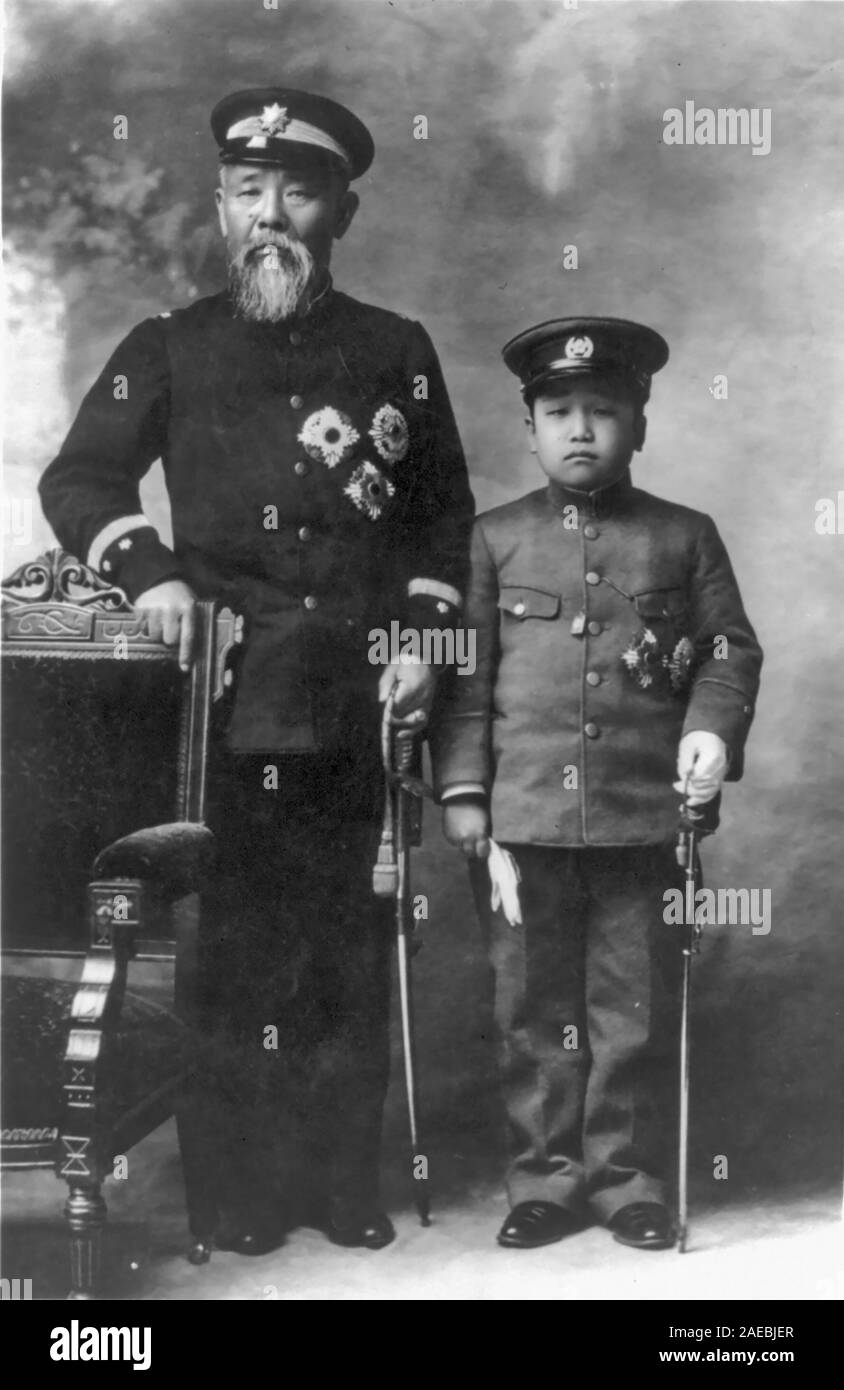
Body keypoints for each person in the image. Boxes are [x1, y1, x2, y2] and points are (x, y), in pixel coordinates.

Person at [39, 86, 474, 1256]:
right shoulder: (166, 347)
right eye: (247, 190)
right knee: (231, 951)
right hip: (223, 706)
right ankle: (232, 1196)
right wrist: (152, 574)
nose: (269, 211)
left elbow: (444, 524)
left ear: (342, 207)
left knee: (341, 939)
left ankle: (341, 1185)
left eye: (297, 189)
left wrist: (426, 655)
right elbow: (78, 483)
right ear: (222, 206)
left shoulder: (397, 350)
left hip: (359, 699)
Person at [430, 317, 762, 1251]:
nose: (581, 428)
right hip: (522, 822)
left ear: (641, 426)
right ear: (529, 428)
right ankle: (545, 1179)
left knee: (632, 1009)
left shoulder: (684, 536)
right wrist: (464, 795)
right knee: (532, 1014)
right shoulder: (491, 539)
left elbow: (729, 651)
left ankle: (627, 1181)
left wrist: (708, 731)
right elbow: (466, 681)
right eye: (559, 411)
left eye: (604, 411)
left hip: (640, 820)